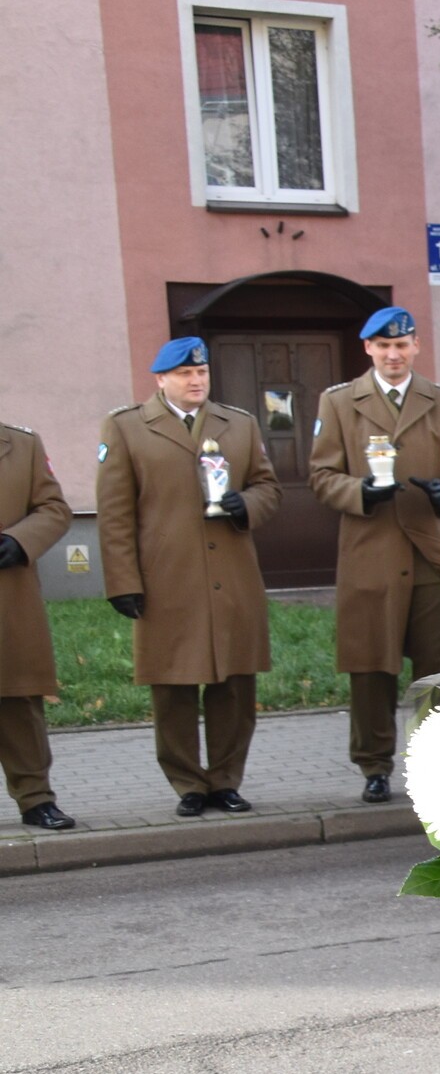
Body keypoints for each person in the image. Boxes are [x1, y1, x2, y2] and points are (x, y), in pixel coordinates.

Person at [95, 337, 280, 817]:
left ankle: (225, 780)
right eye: (185, 374)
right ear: (161, 379)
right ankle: (188, 784)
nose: (196, 380)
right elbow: (115, 514)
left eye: (202, 372)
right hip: (167, 579)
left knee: (234, 685)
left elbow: (268, 487)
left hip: (232, 576)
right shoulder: (127, 427)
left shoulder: (238, 423)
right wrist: (123, 581)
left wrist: (246, 503)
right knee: (172, 687)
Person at [310, 305, 440, 803]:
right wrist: (358, 491)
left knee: (436, 669)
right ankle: (374, 765)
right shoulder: (339, 402)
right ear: (368, 349)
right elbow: (321, 475)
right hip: (370, 553)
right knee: (370, 668)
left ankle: (437, 764)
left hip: (428, 553)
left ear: (416, 346)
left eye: (401, 345)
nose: (393, 354)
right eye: (383, 346)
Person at [0, 418, 73, 829]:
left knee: (18, 699)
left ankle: (36, 799)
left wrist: (21, 540)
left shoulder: (21, 444)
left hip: (8, 594)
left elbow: (54, 508)